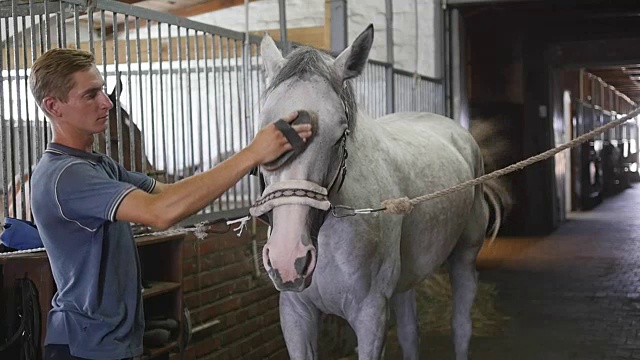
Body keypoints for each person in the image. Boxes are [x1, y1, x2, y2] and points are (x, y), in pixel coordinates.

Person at [28, 48, 312, 360]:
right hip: (84, 346)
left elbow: (168, 195)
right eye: (91, 95)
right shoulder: (66, 175)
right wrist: (252, 154)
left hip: (106, 340)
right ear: (54, 106)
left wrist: (261, 162)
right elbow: (159, 213)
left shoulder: (98, 164)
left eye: (103, 91)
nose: (107, 102)